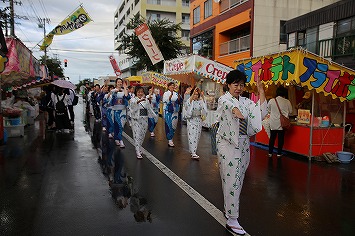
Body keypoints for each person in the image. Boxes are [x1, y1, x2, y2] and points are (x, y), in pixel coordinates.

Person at [215, 69, 267, 235]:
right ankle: (232, 218)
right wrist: (235, 110)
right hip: (227, 144)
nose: (238, 88)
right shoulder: (224, 99)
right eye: (235, 84)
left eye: (241, 85)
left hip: (243, 143)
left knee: (236, 179)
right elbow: (228, 105)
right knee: (232, 179)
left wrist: (261, 91)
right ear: (228, 85)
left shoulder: (247, 102)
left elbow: (261, 114)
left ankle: (228, 210)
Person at [129, 85, 156, 159]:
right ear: (136, 93)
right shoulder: (133, 99)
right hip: (136, 120)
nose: (140, 93)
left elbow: (149, 108)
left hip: (144, 119)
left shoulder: (146, 99)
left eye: (141, 92)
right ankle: (137, 151)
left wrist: (149, 100)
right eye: (138, 92)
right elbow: (132, 107)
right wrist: (139, 101)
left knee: (142, 135)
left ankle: (139, 147)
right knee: (137, 135)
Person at [267, 86, 292, 157]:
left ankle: (270, 153)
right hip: (282, 123)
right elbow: (290, 111)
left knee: (272, 138)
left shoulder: (272, 100)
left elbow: (268, 110)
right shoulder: (287, 101)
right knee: (281, 138)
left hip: (273, 122)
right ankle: (279, 153)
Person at [183, 87, 207, 159]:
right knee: (192, 135)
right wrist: (192, 94)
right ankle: (193, 152)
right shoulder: (190, 101)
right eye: (194, 94)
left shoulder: (200, 101)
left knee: (197, 135)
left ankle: (193, 150)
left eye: (197, 94)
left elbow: (205, 107)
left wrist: (202, 95)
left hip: (198, 119)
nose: (196, 96)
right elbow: (188, 105)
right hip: (191, 120)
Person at [109, 78, 130, 147]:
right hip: (116, 111)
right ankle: (120, 140)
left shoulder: (125, 91)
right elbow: (112, 98)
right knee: (118, 125)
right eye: (118, 82)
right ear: (116, 83)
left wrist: (125, 88)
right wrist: (116, 91)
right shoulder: (113, 91)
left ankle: (117, 138)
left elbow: (127, 97)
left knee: (122, 125)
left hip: (123, 111)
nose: (120, 83)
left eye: (121, 82)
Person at [163, 82, 181, 147]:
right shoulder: (166, 93)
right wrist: (169, 98)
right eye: (171, 86)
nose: (172, 87)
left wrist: (179, 98)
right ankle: (169, 139)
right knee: (169, 124)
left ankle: (171, 137)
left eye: (173, 86)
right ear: (168, 87)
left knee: (174, 125)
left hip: (175, 111)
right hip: (168, 112)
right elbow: (165, 101)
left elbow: (179, 101)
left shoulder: (176, 93)